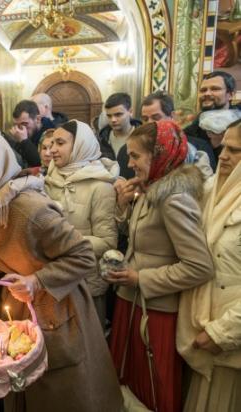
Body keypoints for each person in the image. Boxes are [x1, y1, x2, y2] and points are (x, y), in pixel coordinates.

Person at [0, 126, 122, 412]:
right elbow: (2, 255)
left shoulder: (29, 210)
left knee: (58, 395)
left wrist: (37, 280)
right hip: (23, 305)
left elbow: (82, 255)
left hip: (58, 308)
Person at [108, 120, 214, 412]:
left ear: (159, 155)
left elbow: (199, 267)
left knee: (152, 390)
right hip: (134, 304)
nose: (129, 165)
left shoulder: (173, 198)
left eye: (135, 156)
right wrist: (122, 206)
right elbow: (142, 242)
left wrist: (140, 278)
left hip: (154, 314)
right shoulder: (152, 187)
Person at [177, 118, 241, 412]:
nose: (224, 156)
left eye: (235, 150)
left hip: (228, 340)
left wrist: (221, 334)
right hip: (198, 326)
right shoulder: (213, 189)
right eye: (223, 146)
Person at [45, 120, 118, 328]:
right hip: (55, 279)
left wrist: (65, 241)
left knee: (89, 347)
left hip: (85, 282)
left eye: (60, 143)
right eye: (51, 144)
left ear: (79, 146)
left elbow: (107, 241)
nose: (52, 150)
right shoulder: (50, 179)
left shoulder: (100, 186)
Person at [139, 91, 216, 174]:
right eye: (145, 119)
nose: (150, 123)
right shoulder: (134, 147)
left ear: (172, 116)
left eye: (156, 117)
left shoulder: (199, 147)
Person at [185, 71, 241, 164]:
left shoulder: (238, 125)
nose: (207, 93)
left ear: (230, 95)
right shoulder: (189, 133)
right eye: (203, 90)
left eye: (215, 89)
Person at [98, 92, 142, 165]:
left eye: (118, 114)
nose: (113, 120)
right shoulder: (101, 139)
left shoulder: (143, 137)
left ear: (130, 112)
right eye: (109, 116)